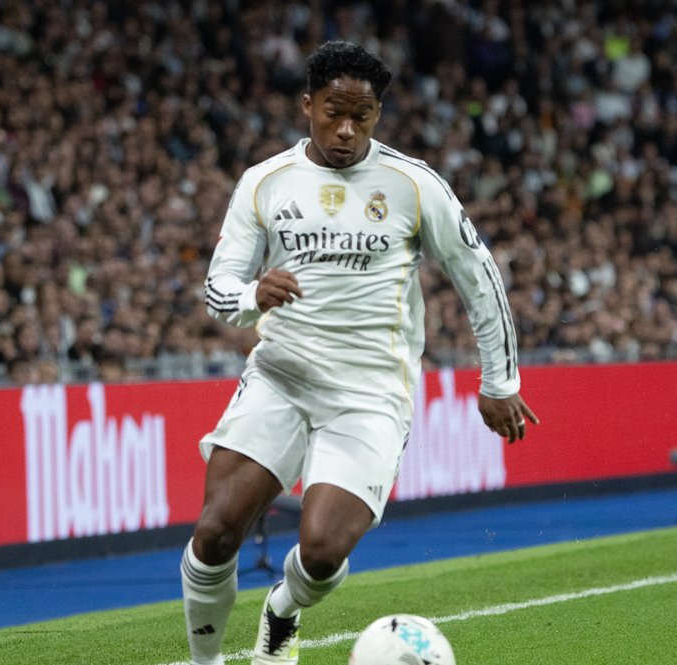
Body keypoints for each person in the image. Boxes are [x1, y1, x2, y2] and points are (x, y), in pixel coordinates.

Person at [182, 40, 538, 665]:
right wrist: (252, 294)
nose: (347, 130)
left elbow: (478, 275)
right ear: (308, 106)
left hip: (370, 392)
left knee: (321, 553)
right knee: (214, 534)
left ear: (378, 114)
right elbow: (218, 289)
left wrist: (499, 380)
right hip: (281, 376)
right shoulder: (263, 183)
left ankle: (282, 610)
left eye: (362, 116)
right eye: (333, 113)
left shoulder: (413, 184)